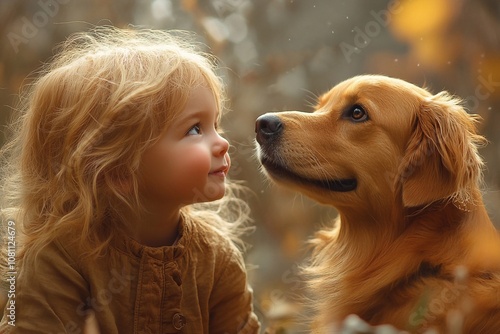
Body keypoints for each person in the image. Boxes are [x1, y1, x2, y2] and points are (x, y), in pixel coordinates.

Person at [0, 26, 260, 333]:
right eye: (194, 129)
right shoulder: (59, 260)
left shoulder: (218, 260)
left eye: (215, 124)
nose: (222, 143)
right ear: (118, 170)